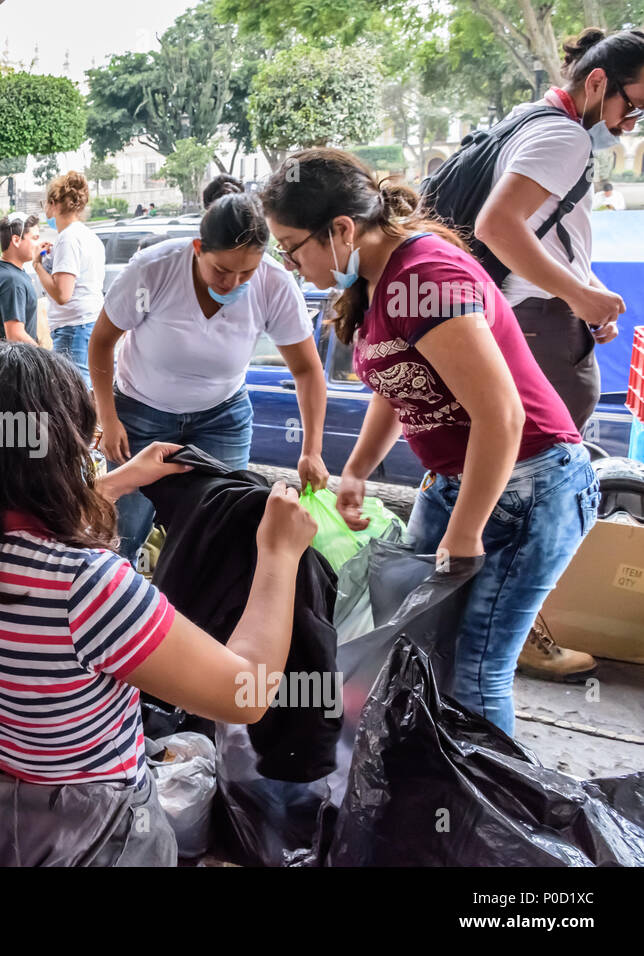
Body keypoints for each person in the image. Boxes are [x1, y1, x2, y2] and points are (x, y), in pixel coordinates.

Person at [0, 341, 318, 867]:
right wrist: (279, 556)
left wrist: (124, 481)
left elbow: (22, 532)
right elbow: (247, 693)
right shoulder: (88, 587)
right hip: (81, 826)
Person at [262, 148, 600, 733]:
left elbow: (501, 415)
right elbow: (398, 383)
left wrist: (465, 532)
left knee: (473, 673)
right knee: (416, 653)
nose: (290, 263)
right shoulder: (376, 280)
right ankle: (432, 794)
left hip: (529, 486)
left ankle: (490, 813)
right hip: (451, 484)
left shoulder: (424, 274)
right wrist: (358, 470)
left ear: (341, 229)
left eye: (291, 246)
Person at [91, 175, 329, 564]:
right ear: (199, 248)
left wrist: (312, 450)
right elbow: (102, 341)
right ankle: (118, 608)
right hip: (140, 414)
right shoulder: (153, 270)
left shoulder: (275, 284)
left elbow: (306, 370)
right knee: (123, 531)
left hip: (222, 418)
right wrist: (109, 416)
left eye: (246, 273)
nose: (233, 283)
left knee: (219, 531)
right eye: (221, 270)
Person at [475, 28, 644, 432]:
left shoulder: (527, 117)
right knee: (543, 467)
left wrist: (587, 283)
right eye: (634, 107)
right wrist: (577, 294)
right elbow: (496, 226)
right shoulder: (565, 136)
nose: (631, 126)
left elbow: (544, 229)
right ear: (598, 82)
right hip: (539, 323)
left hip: (519, 316)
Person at [34, 171, 105, 379]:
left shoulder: (68, 238)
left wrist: (37, 265)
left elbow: (62, 294)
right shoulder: (87, 235)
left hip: (73, 328)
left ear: (54, 204)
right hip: (87, 321)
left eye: (45, 205)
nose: (45, 211)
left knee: (73, 395)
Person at [0, 211, 42, 345]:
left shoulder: (0, 268)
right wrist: (44, 358)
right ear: (16, 240)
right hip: (18, 363)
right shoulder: (12, 280)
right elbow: (15, 335)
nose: (38, 244)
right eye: (35, 238)